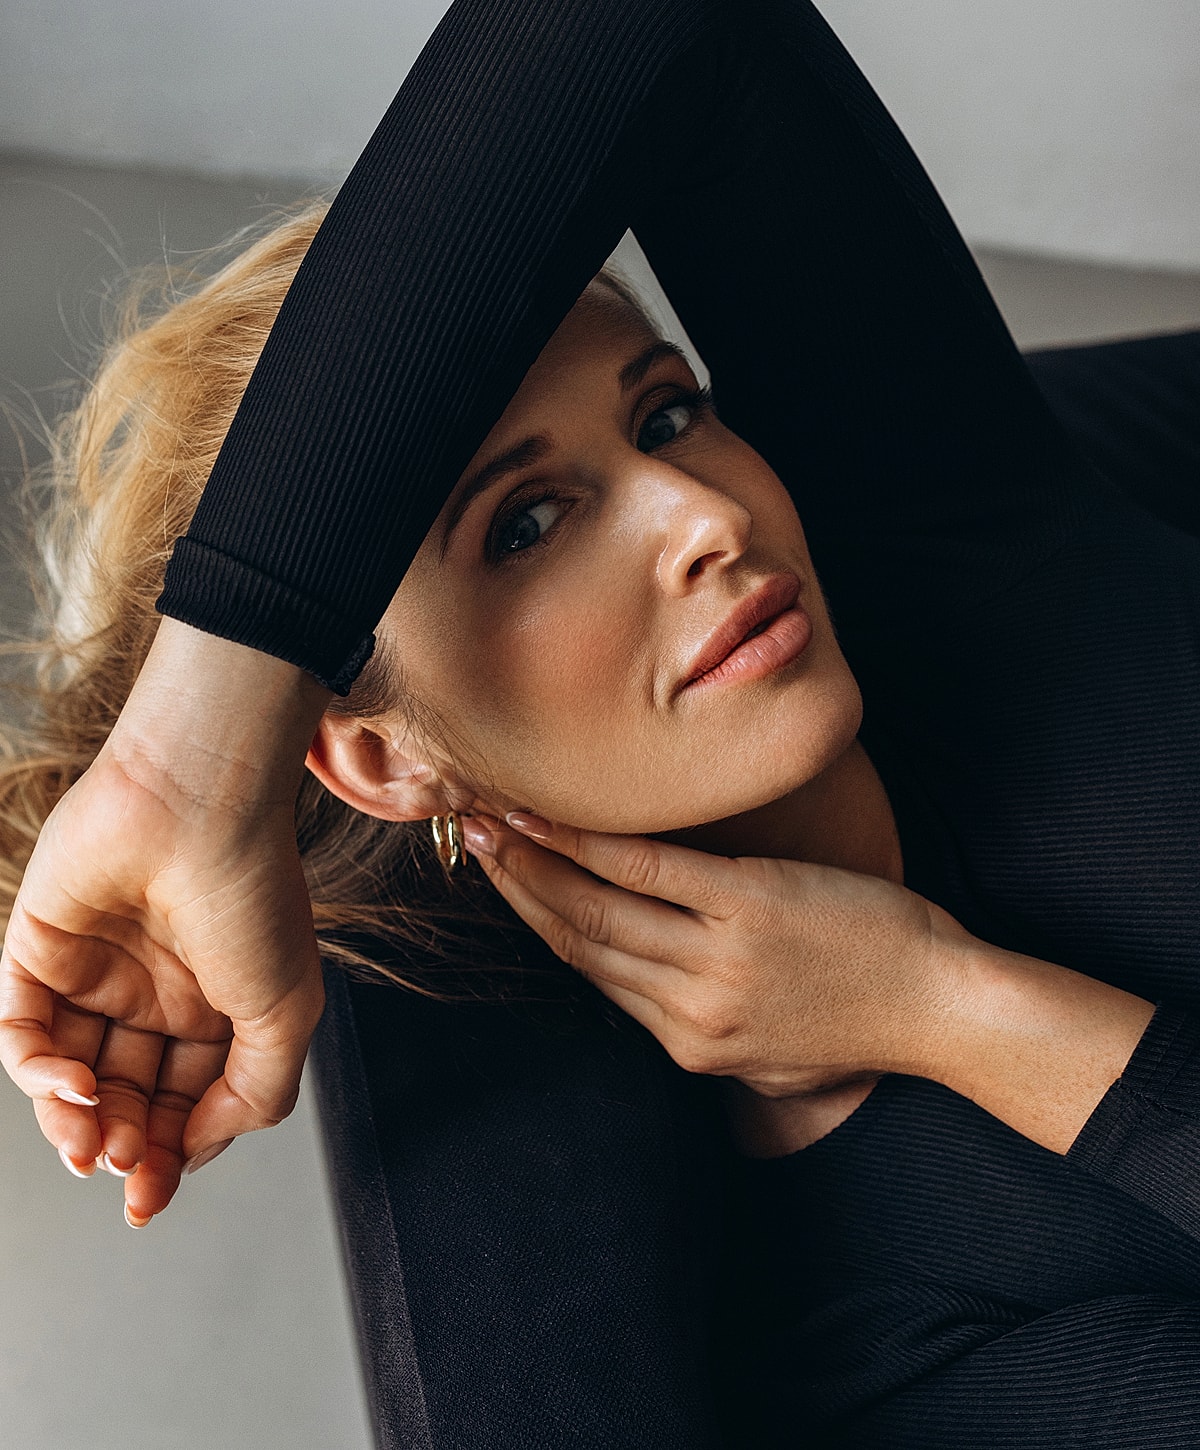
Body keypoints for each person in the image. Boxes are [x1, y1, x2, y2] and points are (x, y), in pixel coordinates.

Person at [2, 0, 1200, 1441]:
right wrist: (953, 1012)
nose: (703, 515)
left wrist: (193, 740)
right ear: (381, 755)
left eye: (667, 415)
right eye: (527, 525)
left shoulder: (961, 546)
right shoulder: (882, 1339)